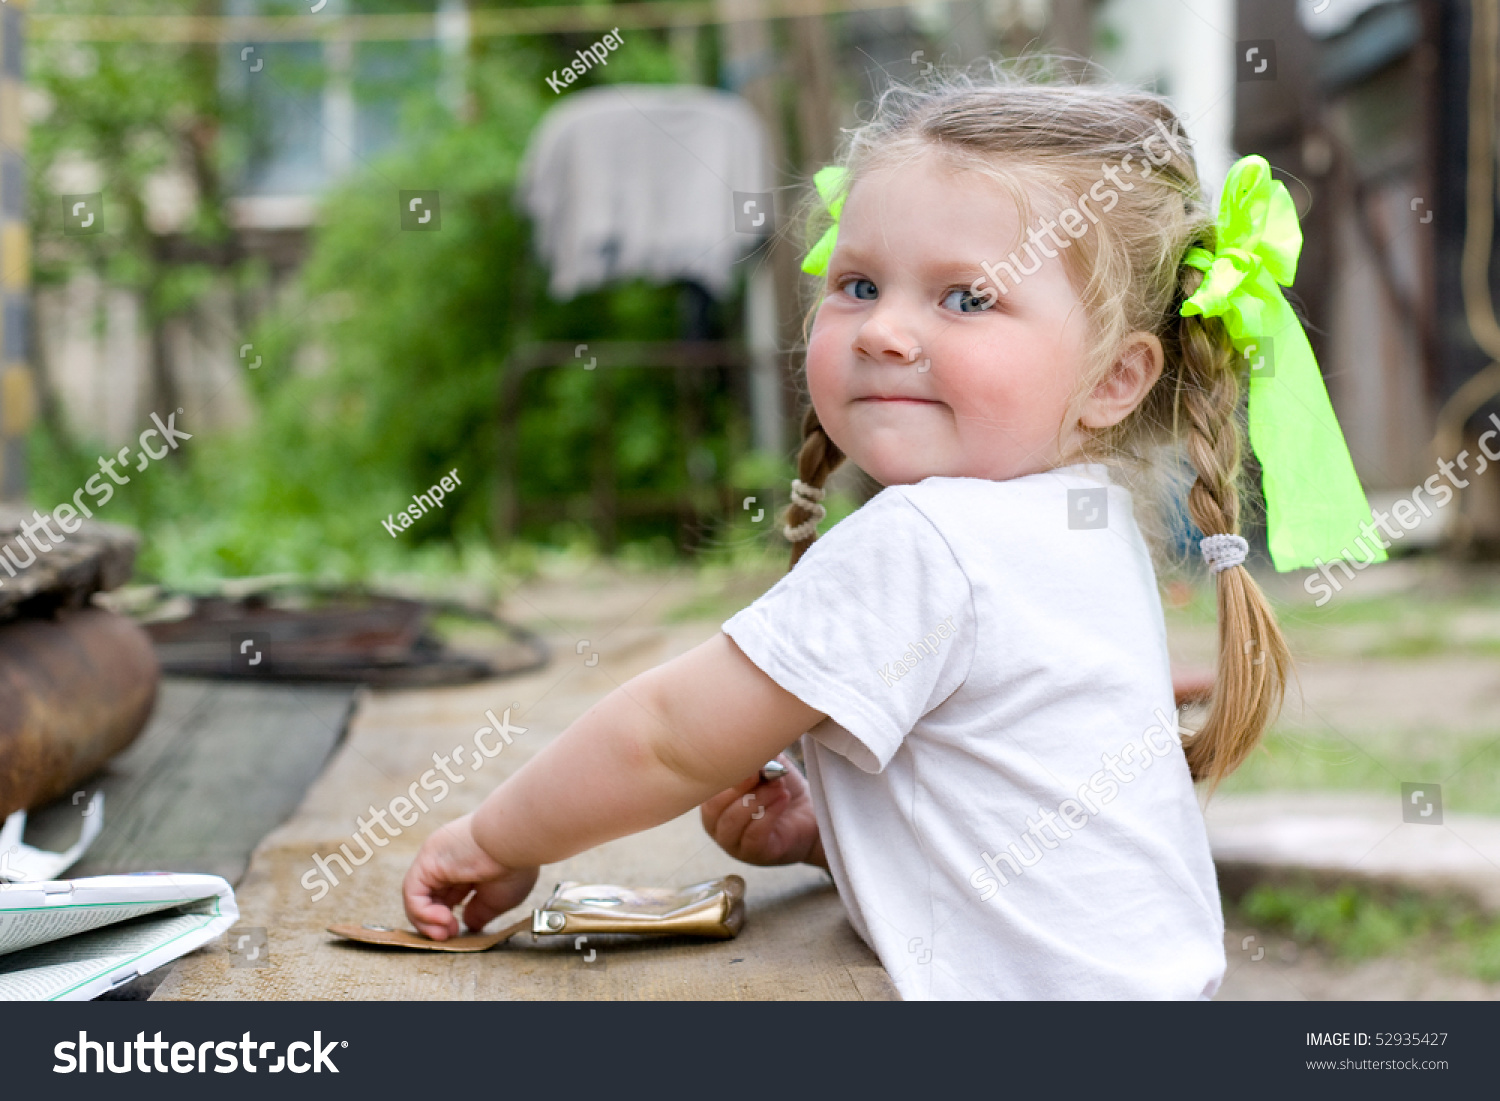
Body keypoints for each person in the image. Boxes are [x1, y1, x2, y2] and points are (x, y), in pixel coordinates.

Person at [404, 58, 1376, 998]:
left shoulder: (929, 538)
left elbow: (664, 739)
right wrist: (827, 838)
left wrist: (491, 841)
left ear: (1115, 380)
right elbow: (1019, 820)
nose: (883, 330)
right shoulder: (1085, 526)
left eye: (966, 298)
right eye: (859, 284)